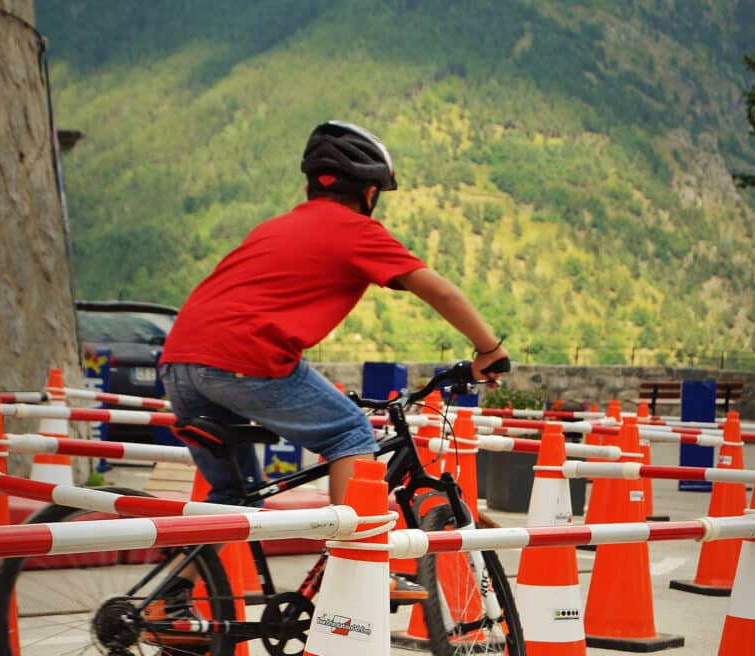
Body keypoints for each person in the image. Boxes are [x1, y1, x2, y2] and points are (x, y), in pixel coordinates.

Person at [156, 120, 509, 615]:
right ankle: (359, 564)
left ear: (311, 185)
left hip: (178, 363)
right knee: (351, 434)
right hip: (246, 360)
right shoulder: (356, 231)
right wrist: (488, 350)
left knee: (236, 499)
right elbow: (440, 290)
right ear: (368, 192)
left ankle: (164, 600)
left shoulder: (273, 227)